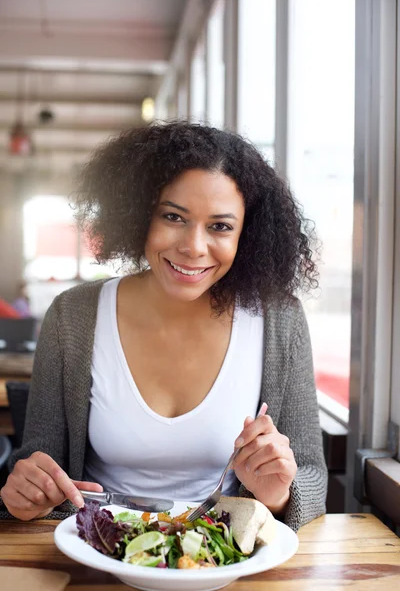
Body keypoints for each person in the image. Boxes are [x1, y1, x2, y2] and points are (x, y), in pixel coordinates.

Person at [0, 122, 327, 530]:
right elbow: (36, 462)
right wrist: (28, 494)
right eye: (174, 216)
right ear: (139, 215)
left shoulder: (280, 320)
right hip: (100, 551)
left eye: (220, 226)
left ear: (249, 234)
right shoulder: (73, 316)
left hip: (227, 558)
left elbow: (312, 475)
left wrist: (277, 494)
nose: (193, 246)